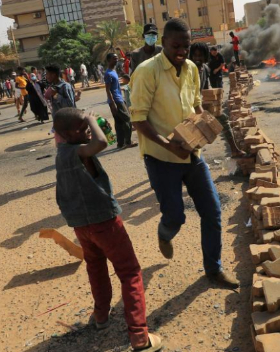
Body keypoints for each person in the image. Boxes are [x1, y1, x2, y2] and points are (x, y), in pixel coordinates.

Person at [130, 19, 239, 288]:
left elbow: (197, 106)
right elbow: (139, 120)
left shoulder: (192, 68)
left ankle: (214, 270)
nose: (181, 51)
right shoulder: (147, 72)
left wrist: (207, 126)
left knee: (212, 212)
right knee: (176, 216)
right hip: (160, 157)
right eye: (176, 45)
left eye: (186, 46)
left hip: (192, 154)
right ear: (164, 42)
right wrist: (170, 146)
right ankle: (165, 232)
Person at [52, 107, 163, 352]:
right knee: (130, 272)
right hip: (104, 222)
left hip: (82, 226)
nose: (88, 132)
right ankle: (139, 336)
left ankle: (101, 317)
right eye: (82, 129)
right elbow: (102, 142)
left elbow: (66, 132)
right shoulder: (78, 151)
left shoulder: (61, 152)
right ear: (68, 134)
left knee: (96, 266)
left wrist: (80, 125)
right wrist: (91, 119)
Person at [105, 53, 137, 150]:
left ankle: (120, 143)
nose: (116, 60)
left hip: (118, 99)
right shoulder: (108, 74)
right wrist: (113, 103)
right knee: (127, 119)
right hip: (116, 101)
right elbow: (108, 89)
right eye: (114, 59)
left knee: (119, 122)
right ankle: (128, 142)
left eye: (117, 58)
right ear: (109, 60)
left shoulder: (113, 71)